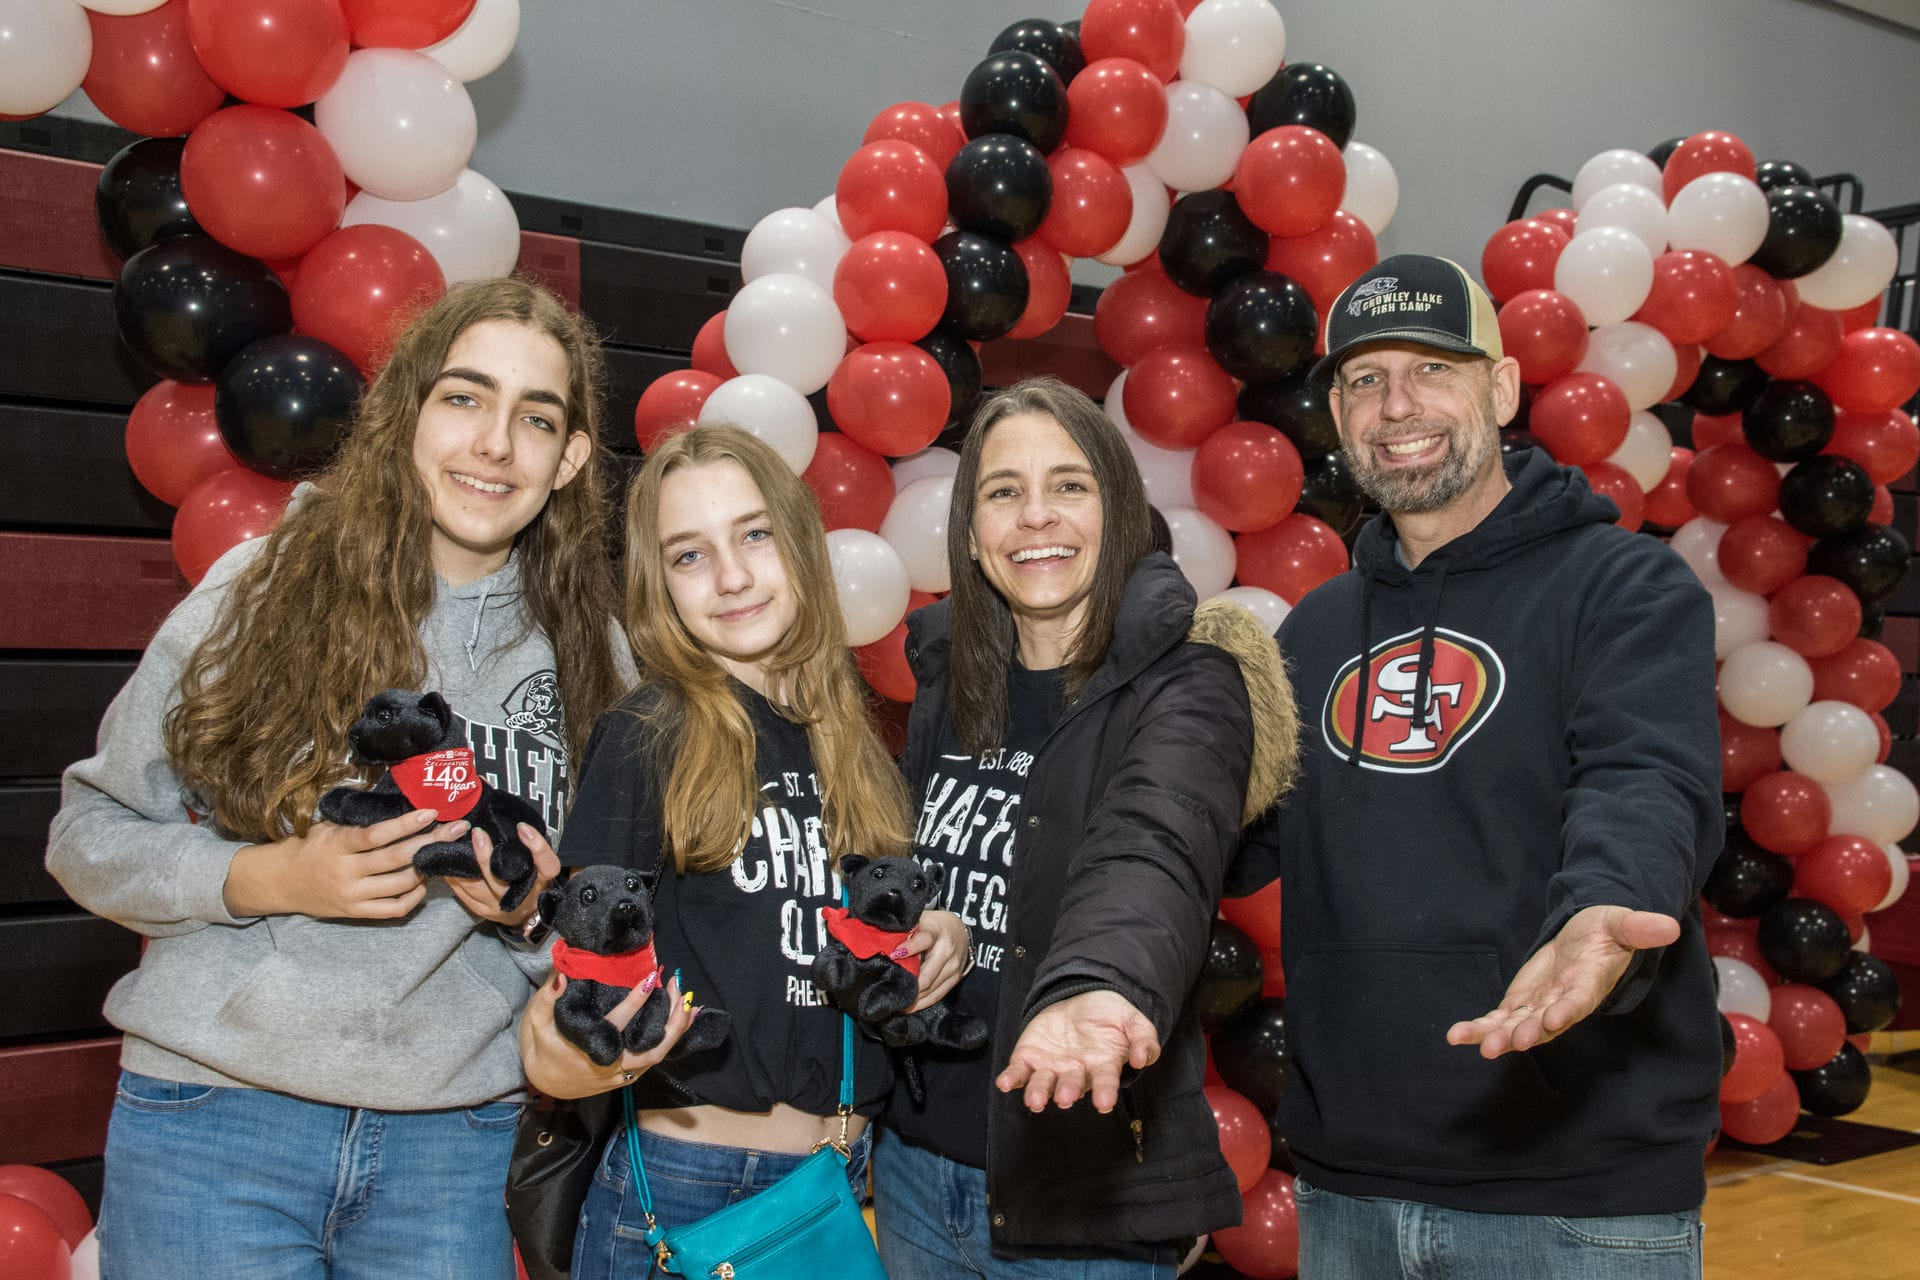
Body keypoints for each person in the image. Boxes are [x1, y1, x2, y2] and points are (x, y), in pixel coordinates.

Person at [46, 277, 633, 1279]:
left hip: (453, 1148)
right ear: (408, 412)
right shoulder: (261, 587)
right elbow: (87, 837)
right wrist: (272, 877)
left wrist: (532, 905)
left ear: (570, 457)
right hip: (215, 1123)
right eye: (464, 397)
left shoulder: (596, 660)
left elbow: (601, 926)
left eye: (535, 418)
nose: (494, 443)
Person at [1232, 254, 1724, 1277]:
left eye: (1433, 369)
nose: (1396, 404)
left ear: (1499, 388)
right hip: (1351, 1180)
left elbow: (1645, 775)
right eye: (1364, 379)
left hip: (1576, 1191)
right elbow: (1231, 839)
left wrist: (1606, 906)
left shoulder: (1624, 587)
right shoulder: (1317, 630)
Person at [516, 423, 970, 1280]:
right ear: (659, 588)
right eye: (688, 556)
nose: (730, 577)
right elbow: (582, 969)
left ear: (799, 544)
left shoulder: (854, 747)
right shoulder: (650, 732)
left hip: (838, 1179)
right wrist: (563, 1049)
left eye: (754, 535)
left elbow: (865, 952)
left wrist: (942, 937)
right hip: (691, 1182)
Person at [873, 376, 1298, 1278]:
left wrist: (1096, 985)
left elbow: (1156, 843)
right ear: (972, 532)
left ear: (1119, 509)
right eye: (1003, 491)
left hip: (1082, 1199)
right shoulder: (950, 678)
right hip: (912, 1171)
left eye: (1069, 485)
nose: (1036, 517)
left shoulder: (1190, 681)